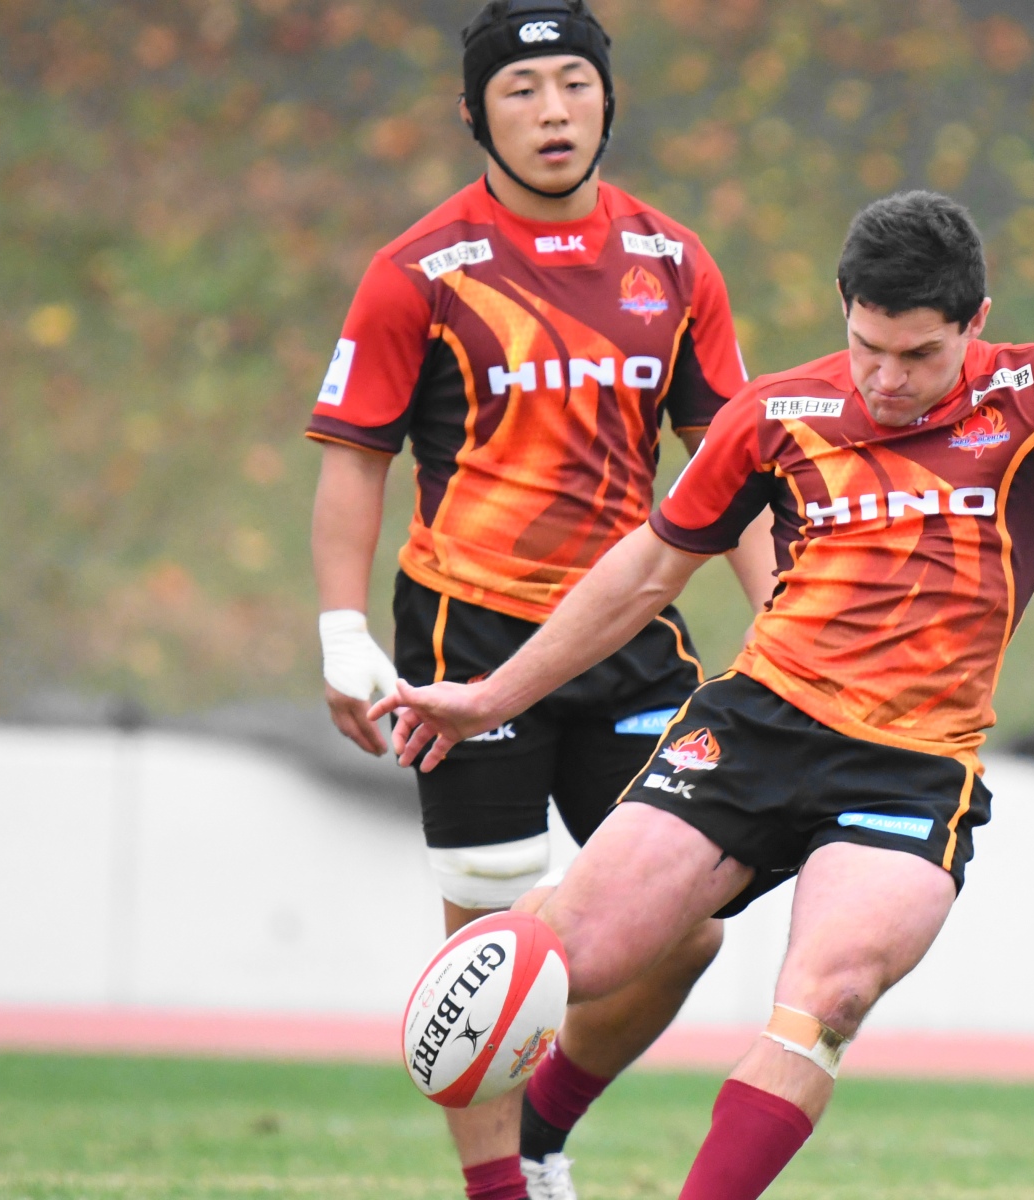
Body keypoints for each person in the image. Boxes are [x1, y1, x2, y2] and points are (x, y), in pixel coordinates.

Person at [371, 179, 1034, 1200]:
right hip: (753, 727)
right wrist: (491, 695)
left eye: (920, 356)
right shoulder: (776, 413)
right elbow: (647, 571)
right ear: (843, 310)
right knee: (568, 952)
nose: (888, 380)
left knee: (828, 999)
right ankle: (535, 1142)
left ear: (975, 321)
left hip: (909, 767)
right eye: (869, 348)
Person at [306, 3, 775, 1198]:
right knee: (490, 936)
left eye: (575, 82)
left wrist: (784, 622)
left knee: (688, 925)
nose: (554, 111)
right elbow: (354, 458)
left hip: (631, 638)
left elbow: (731, 469)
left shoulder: (675, 263)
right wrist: (342, 631)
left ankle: (546, 1127)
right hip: (467, 638)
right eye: (522, 90)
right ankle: (501, 1190)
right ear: (475, 113)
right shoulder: (419, 271)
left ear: (610, 98)